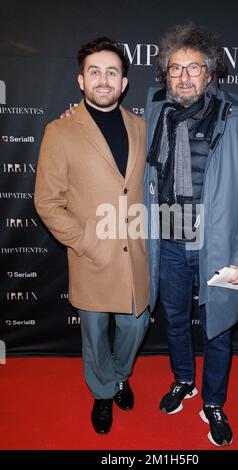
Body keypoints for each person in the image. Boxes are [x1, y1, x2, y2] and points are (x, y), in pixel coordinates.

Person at [144, 24, 238, 446]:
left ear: (210, 72)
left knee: (217, 327)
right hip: (168, 241)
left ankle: (213, 401)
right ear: (165, 73)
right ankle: (183, 380)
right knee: (175, 320)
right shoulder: (156, 110)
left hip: (217, 247)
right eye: (175, 67)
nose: (183, 76)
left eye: (192, 67)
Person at [34, 37, 150, 435]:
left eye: (112, 72)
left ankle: (120, 375)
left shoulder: (143, 126)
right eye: (95, 72)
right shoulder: (60, 131)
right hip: (90, 256)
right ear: (81, 81)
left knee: (136, 327)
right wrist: (83, 241)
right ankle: (103, 391)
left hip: (134, 255)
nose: (104, 79)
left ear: (124, 83)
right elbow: (47, 202)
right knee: (95, 333)